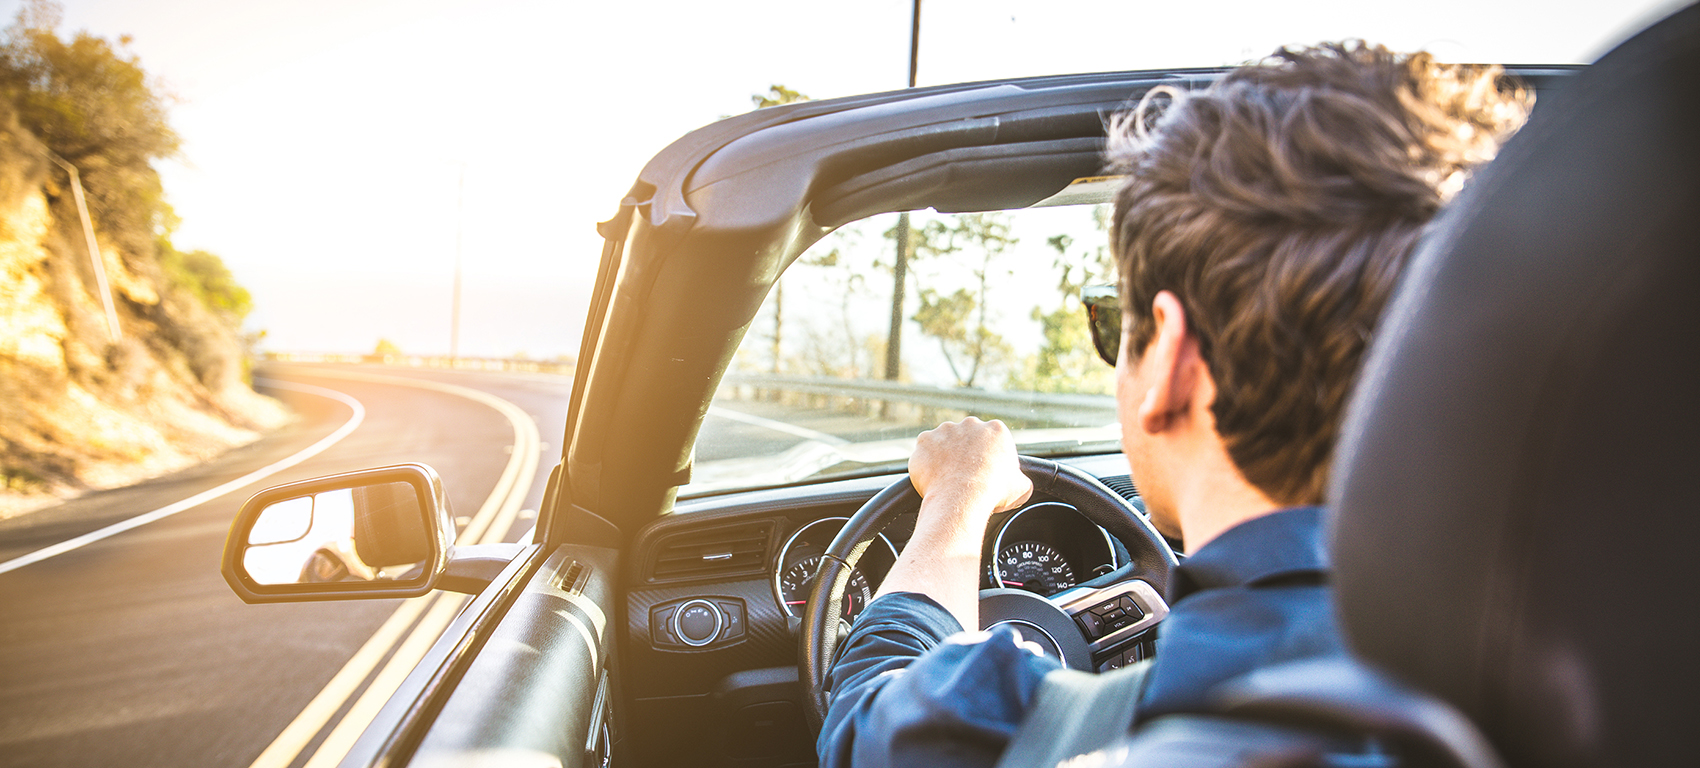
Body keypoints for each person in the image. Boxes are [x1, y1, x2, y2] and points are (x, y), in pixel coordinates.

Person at [818, 41, 1531, 768]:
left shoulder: (1042, 736)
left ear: (1172, 362)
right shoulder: (1603, 678)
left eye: (1115, 330)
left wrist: (960, 493)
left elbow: (868, 710)